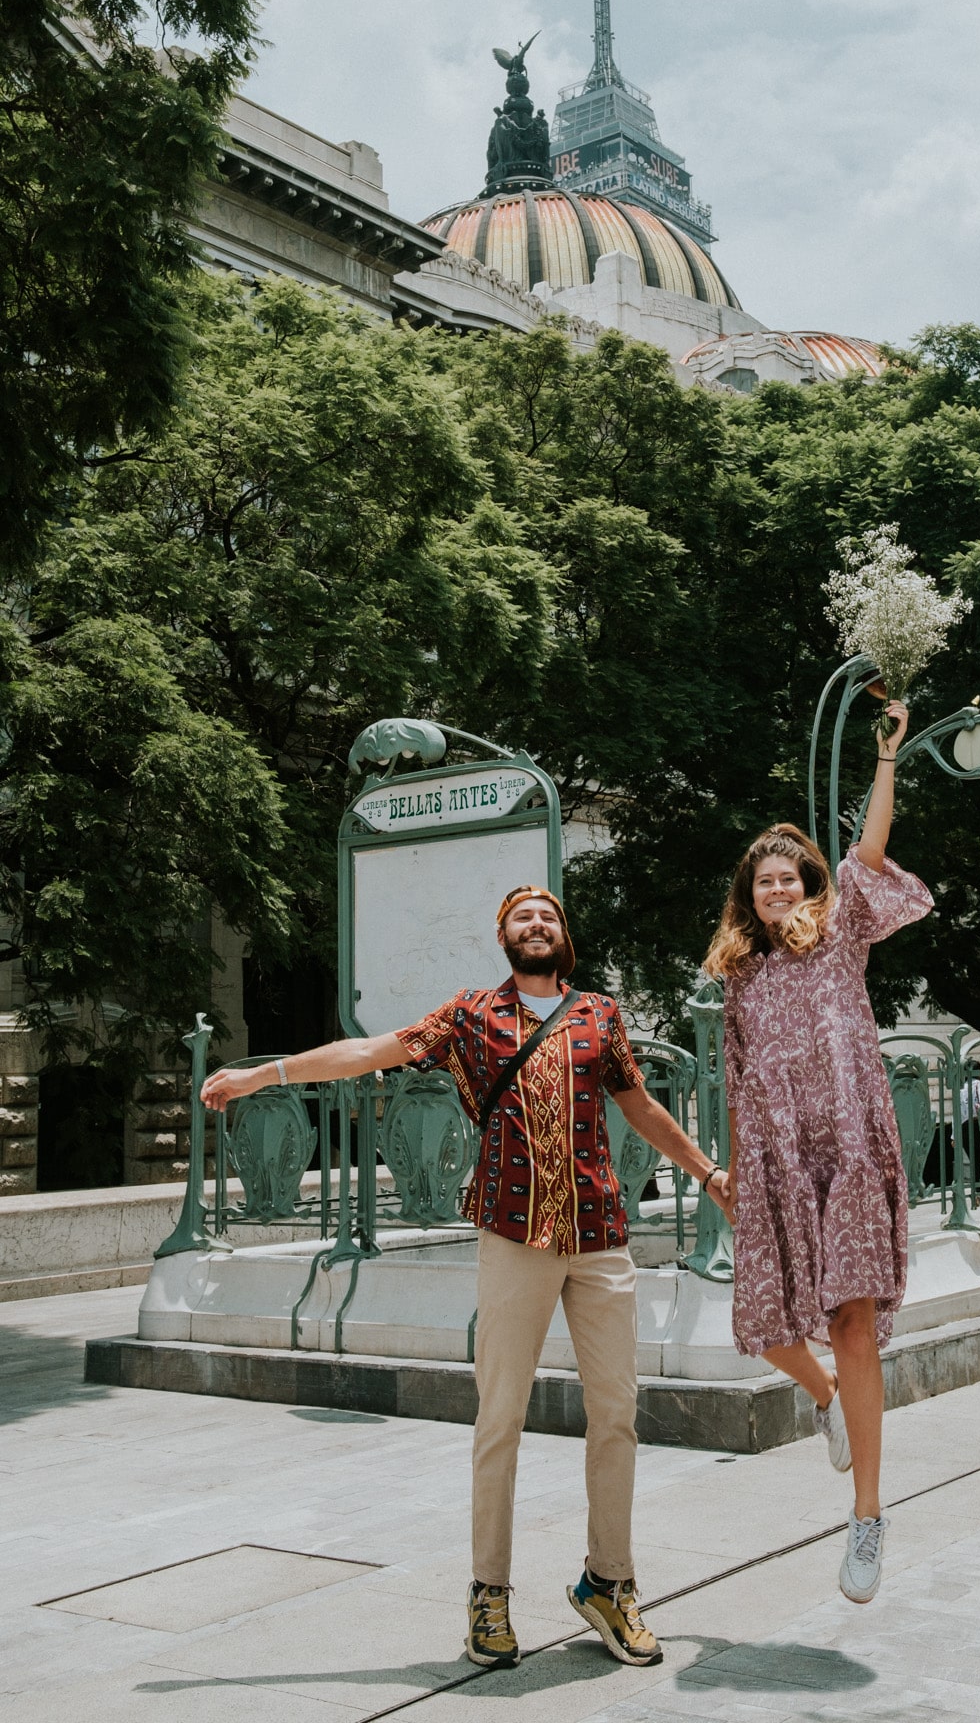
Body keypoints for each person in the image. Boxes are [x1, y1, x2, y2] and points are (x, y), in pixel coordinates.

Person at [201, 884, 729, 1672]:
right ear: (503, 937)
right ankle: (489, 1594)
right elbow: (369, 1052)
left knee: (616, 1412)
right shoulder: (469, 1015)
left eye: (548, 915)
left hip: (599, 1234)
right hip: (513, 1231)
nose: (537, 923)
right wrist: (264, 1074)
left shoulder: (600, 1015)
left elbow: (641, 1106)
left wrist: (707, 1171)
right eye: (523, 917)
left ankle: (609, 1583)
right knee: (499, 1418)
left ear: (564, 935)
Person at [704, 698, 933, 1607]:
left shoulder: (839, 935)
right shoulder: (739, 978)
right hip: (773, 1159)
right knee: (763, 1325)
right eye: (763, 883)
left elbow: (867, 854)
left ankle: (867, 1515)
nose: (778, 891)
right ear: (747, 898)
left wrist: (885, 761)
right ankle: (827, 1399)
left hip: (846, 1145)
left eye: (789, 878)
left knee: (850, 1324)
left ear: (806, 886)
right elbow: (734, 1078)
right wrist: (726, 1171)